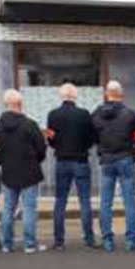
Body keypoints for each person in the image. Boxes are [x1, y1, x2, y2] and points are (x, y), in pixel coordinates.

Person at [92, 80, 135, 252]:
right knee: (129, 201)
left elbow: (93, 136)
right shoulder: (130, 114)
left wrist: (102, 149)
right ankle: (131, 240)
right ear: (121, 94)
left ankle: (107, 240)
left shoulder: (96, 114)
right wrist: (134, 149)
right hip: (125, 158)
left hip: (106, 159)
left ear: (107, 94)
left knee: (106, 202)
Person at [0, 89, 48, 253]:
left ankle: (7, 244)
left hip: (9, 171)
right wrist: (35, 160)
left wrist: (3, 162)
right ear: (20, 104)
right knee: (29, 208)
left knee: (8, 208)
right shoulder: (29, 124)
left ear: (6, 104)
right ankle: (29, 244)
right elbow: (41, 148)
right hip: (29, 170)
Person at [46, 82, 97, 250]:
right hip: (81, 160)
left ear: (61, 96)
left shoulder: (53, 115)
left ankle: (59, 241)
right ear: (75, 96)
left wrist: (59, 146)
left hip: (62, 160)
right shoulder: (84, 114)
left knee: (60, 201)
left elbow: (51, 139)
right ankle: (89, 239)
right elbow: (91, 137)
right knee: (84, 200)